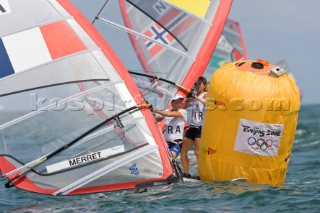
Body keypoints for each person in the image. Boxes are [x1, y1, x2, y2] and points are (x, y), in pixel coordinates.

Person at [180, 76, 207, 178]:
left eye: (199, 84)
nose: (197, 86)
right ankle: (186, 174)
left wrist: (195, 97)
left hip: (200, 127)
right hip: (192, 127)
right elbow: (183, 107)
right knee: (183, 152)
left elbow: (206, 102)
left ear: (204, 86)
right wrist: (188, 98)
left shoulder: (205, 95)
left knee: (197, 153)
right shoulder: (194, 97)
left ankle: (202, 174)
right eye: (196, 84)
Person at [153, 94, 187, 159]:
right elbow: (156, 119)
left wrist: (154, 110)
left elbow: (169, 114)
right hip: (165, 143)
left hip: (176, 143)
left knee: (170, 158)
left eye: (180, 103)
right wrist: (148, 111)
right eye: (177, 102)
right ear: (172, 103)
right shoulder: (166, 111)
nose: (179, 104)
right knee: (160, 159)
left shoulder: (183, 112)